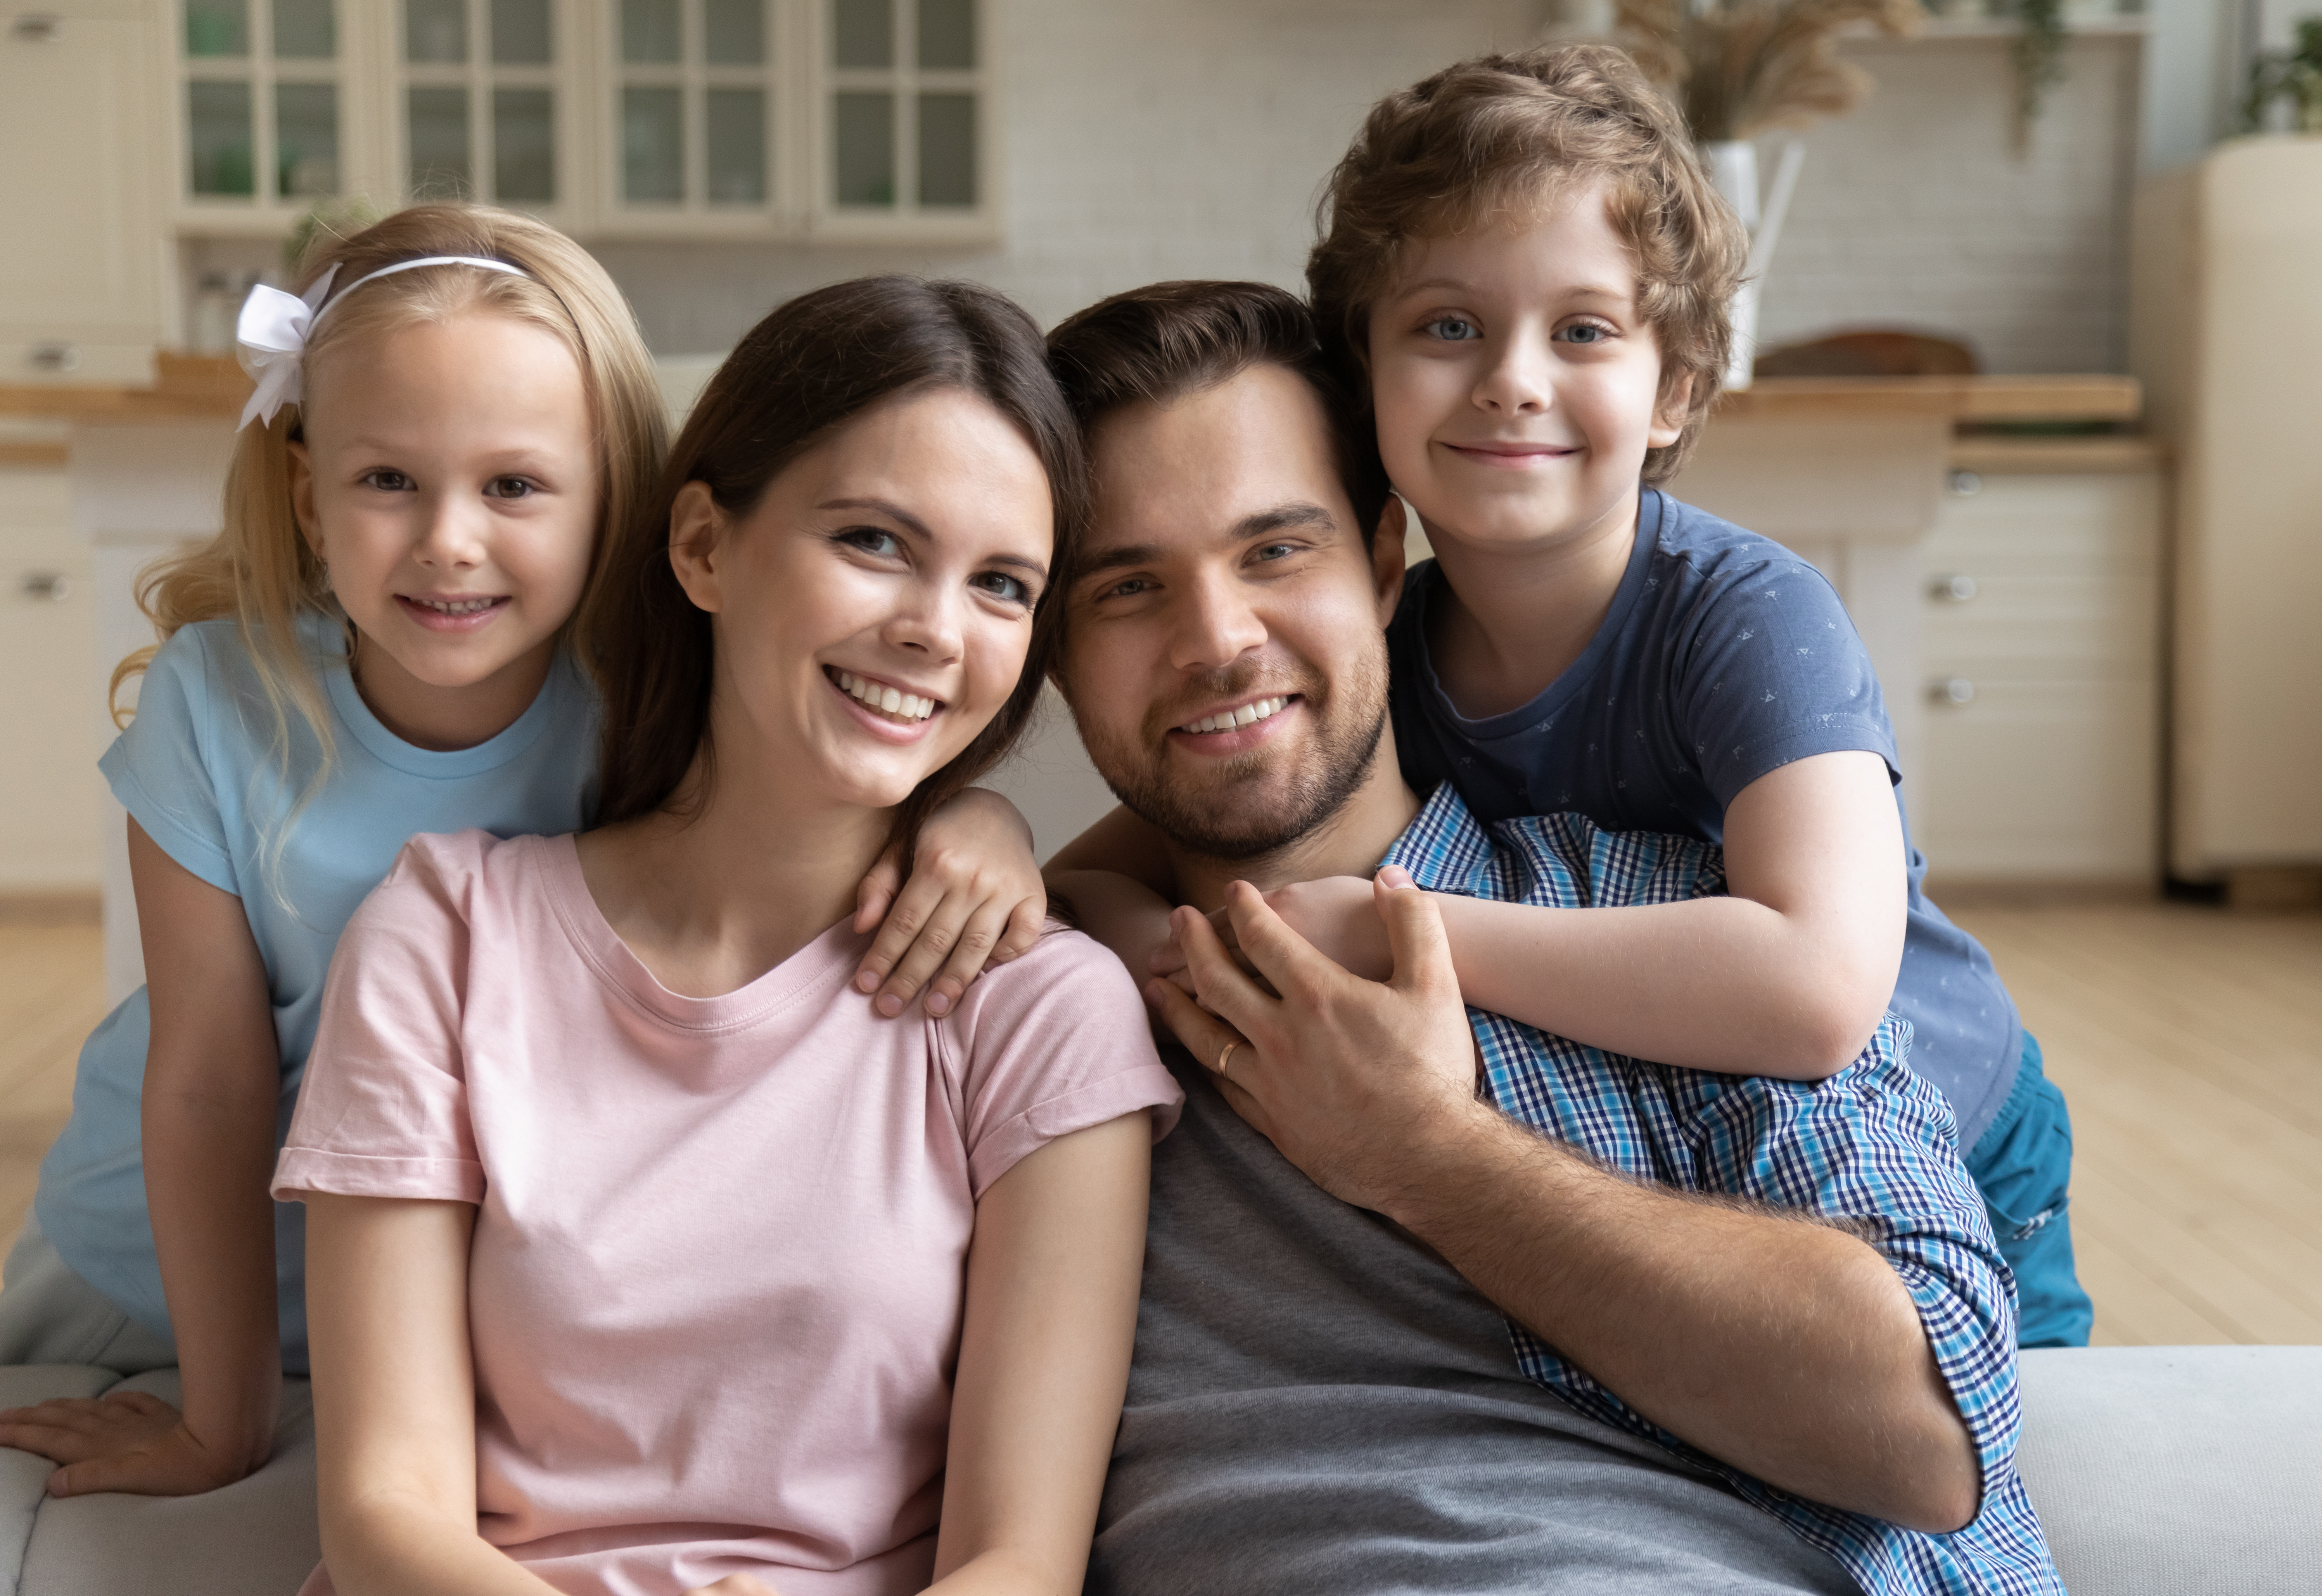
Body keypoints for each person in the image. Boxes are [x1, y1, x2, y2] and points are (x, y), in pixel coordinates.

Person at [0, 208, 1047, 1501]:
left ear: (615, 500)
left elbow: (821, 798)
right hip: (158, 1281)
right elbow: (207, 1078)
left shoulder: (642, 702)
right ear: (310, 498)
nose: (449, 540)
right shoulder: (218, 700)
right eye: (388, 482)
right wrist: (222, 1416)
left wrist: (977, 817)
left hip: (473, 1306)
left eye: (516, 486)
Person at [1041, 280, 2063, 1594]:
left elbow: (1934, 1430)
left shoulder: (1664, 927)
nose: (1220, 641)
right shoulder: (1004, 1003)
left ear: (1380, 559)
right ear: (1052, 655)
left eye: (1277, 551)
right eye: (1128, 587)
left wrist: (1427, 1155)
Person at [1073, 44, 2091, 1349]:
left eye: (1584, 330)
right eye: (1448, 327)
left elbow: (1817, 985)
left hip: (1951, 1136)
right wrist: (1034, 874)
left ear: (1672, 388)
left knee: (2009, 1457)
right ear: (1364, 373)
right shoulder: (1391, 637)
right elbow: (1127, 860)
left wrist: (1410, 930)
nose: (1512, 378)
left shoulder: (1745, 616)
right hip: (1709, 1158)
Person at [272, 276, 1183, 1595]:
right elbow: (382, 1510)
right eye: (874, 540)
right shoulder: (447, 934)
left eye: (1001, 583)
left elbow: (1017, 1563)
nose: (934, 627)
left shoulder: (1040, 1011)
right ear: (703, 547)